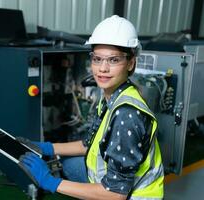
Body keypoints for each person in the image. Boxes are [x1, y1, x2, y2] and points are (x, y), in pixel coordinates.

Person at [19, 15, 164, 200]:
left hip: (132, 196)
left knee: (68, 170)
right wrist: (47, 148)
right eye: (97, 59)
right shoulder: (111, 97)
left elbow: (116, 194)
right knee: (69, 164)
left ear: (131, 62)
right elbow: (89, 145)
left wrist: (51, 182)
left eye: (113, 60)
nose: (102, 69)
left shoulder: (126, 115)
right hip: (114, 185)